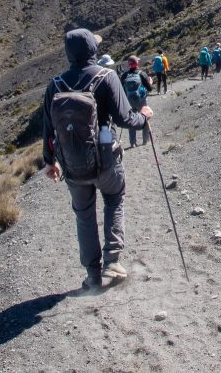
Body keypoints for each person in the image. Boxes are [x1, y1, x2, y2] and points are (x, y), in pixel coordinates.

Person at [43, 29, 152, 290]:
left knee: (83, 214)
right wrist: (145, 117)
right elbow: (126, 118)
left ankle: (92, 275)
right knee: (113, 200)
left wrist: (50, 161)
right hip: (106, 159)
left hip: (72, 163)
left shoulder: (55, 85)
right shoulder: (107, 77)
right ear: (92, 50)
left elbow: (48, 130)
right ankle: (112, 262)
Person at [118, 55, 153, 147]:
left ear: (128, 65)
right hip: (141, 100)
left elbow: (121, 89)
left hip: (129, 101)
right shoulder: (142, 74)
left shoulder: (124, 75)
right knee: (144, 118)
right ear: (137, 63)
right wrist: (150, 82)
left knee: (132, 120)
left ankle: (133, 143)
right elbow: (150, 89)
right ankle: (145, 140)